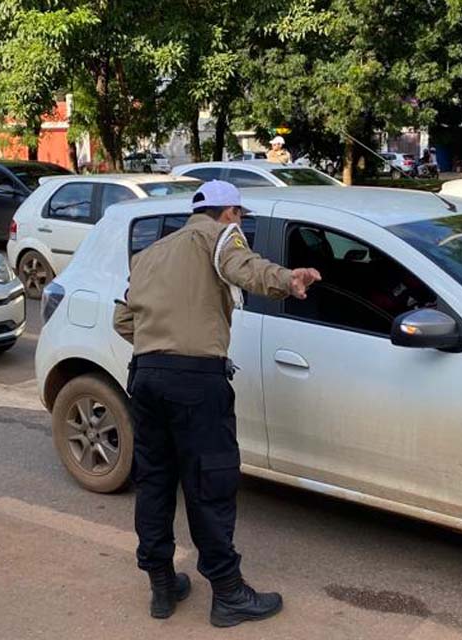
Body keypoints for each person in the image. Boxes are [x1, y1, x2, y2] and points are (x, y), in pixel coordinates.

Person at [113, 180, 321, 627]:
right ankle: (228, 594)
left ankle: (162, 585)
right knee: (210, 483)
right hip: (195, 383)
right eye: (240, 216)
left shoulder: (149, 254)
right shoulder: (221, 236)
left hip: (146, 378)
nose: (241, 223)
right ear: (229, 213)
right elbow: (244, 267)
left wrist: (159, 345)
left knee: (154, 483)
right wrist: (289, 279)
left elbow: (122, 317)